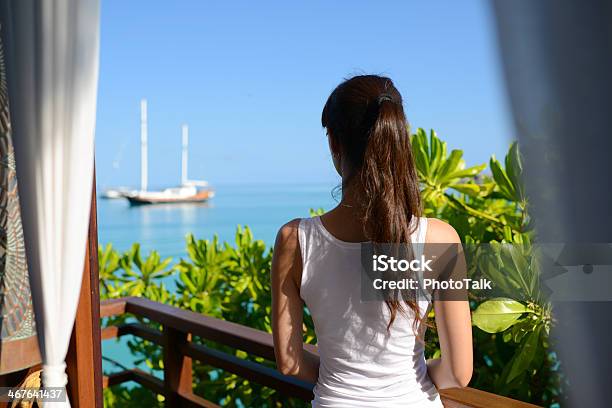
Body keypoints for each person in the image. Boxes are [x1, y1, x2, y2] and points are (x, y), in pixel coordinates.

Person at [271, 75, 472, 407]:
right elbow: (458, 373)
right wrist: (410, 379)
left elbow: (290, 362)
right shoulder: (439, 238)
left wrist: (344, 382)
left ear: (334, 143)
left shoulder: (294, 239)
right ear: (397, 140)